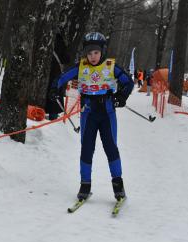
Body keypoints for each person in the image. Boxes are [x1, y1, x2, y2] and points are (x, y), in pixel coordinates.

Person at [51, 32, 134, 201]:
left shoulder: (111, 66)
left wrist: (121, 96)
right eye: (89, 53)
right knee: (87, 149)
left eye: (96, 52)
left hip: (107, 114)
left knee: (111, 148)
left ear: (102, 51)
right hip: (88, 114)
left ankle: (118, 187)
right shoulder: (81, 66)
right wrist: (54, 89)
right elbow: (61, 78)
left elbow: (128, 82)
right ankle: (85, 185)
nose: (93, 56)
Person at [46, 32, 70, 120]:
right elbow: (66, 59)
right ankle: (53, 118)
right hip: (56, 72)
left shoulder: (44, 36)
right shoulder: (60, 41)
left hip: (44, 72)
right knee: (54, 93)